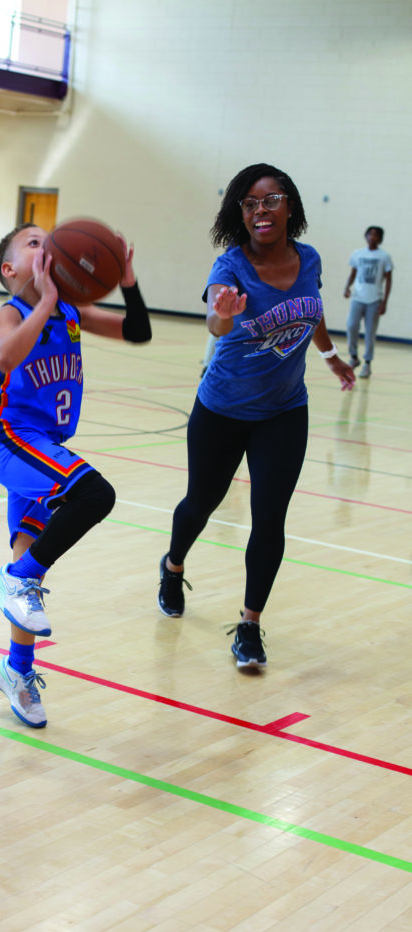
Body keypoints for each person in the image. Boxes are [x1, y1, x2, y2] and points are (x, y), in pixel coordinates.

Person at [158, 163, 355, 668]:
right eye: (249, 203)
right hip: (222, 408)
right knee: (201, 503)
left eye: (270, 200)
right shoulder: (230, 266)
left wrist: (331, 357)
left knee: (269, 518)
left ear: (290, 205)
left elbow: (310, 310)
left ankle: (249, 626)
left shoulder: (309, 259)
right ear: (239, 214)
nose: (260, 210)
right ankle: (174, 565)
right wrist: (223, 311)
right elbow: (216, 322)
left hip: (285, 412)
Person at [0, 223, 151, 727]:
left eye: (47, 239)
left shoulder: (73, 314)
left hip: (46, 448)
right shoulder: (11, 311)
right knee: (96, 495)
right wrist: (43, 301)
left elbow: (138, 330)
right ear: (11, 270)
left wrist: (126, 278)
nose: (46, 245)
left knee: (28, 575)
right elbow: (6, 356)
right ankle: (14, 579)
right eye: (33, 243)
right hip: (12, 441)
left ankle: (17, 671)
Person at [344, 226, 393, 378]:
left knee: (370, 332)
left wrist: (385, 301)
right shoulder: (358, 254)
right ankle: (353, 357)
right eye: (370, 234)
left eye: (376, 235)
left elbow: (389, 279)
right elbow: (353, 274)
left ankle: (367, 363)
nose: (372, 237)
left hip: (374, 300)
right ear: (366, 236)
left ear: (380, 238)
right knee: (351, 326)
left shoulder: (384, 257)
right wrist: (347, 287)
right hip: (358, 297)